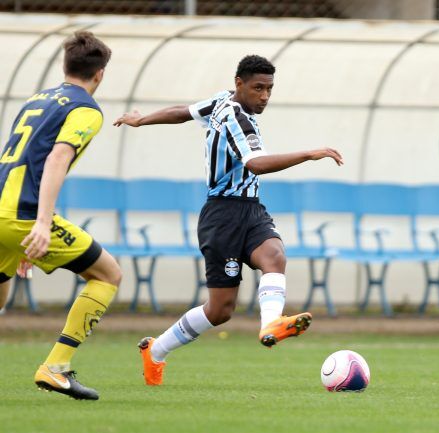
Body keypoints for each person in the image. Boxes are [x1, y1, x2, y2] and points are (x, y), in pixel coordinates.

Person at [114, 55, 344, 385]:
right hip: (221, 216)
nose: (264, 96)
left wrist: (143, 119)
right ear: (240, 83)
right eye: (258, 88)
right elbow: (257, 164)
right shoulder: (240, 121)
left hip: (250, 209)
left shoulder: (223, 99)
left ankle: (270, 324)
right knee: (220, 310)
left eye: (269, 89)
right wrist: (308, 154)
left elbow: (185, 111)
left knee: (275, 256)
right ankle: (155, 350)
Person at [0, 31, 121, 400]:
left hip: (3, 208)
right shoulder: (84, 108)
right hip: (20, 214)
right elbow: (56, 158)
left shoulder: (38, 100)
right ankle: (56, 367)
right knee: (108, 274)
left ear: (64, 66)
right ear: (99, 74)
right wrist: (39, 223)